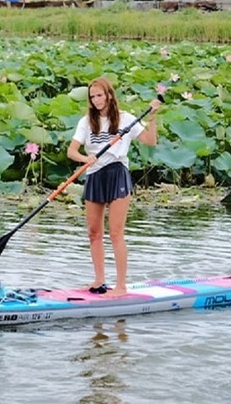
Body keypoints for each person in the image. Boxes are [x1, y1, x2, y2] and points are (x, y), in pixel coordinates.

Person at [67, 77, 161, 298]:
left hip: (117, 172)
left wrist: (153, 118)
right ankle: (99, 281)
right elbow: (71, 151)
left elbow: (150, 141)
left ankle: (120, 287)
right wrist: (84, 159)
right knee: (93, 232)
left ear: (109, 95)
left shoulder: (126, 119)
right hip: (94, 174)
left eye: (100, 95)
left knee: (116, 233)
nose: (96, 100)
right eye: (92, 96)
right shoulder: (86, 122)